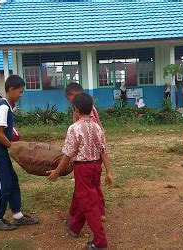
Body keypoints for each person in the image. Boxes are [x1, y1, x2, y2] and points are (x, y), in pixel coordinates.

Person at [47, 93, 112, 249]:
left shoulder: (74, 128)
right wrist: (109, 171)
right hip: (96, 167)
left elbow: (68, 154)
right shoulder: (97, 127)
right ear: (91, 110)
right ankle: (74, 226)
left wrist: (56, 172)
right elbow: (103, 151)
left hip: (83, 169)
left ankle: (100, 241)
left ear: (75, 109)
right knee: (87, 197)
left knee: (88, 203)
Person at [0, 75, 38, 231]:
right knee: (3, 185)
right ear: (11, 90)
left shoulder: (7, 106)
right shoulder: (4, 107)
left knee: (12, 181)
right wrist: (13, 147)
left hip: (1, 151)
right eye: (20, 92)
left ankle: (18, 215)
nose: (21, 95)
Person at [64, 82, 106, 222]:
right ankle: (75, 212)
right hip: (86, 155)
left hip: (89, 156)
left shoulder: (87, 109)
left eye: (71, 98)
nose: (71, 101)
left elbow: (91, 131)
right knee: (83, 187)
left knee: (91, 187)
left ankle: (98, 212)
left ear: (73, 95)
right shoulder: (79, 109)